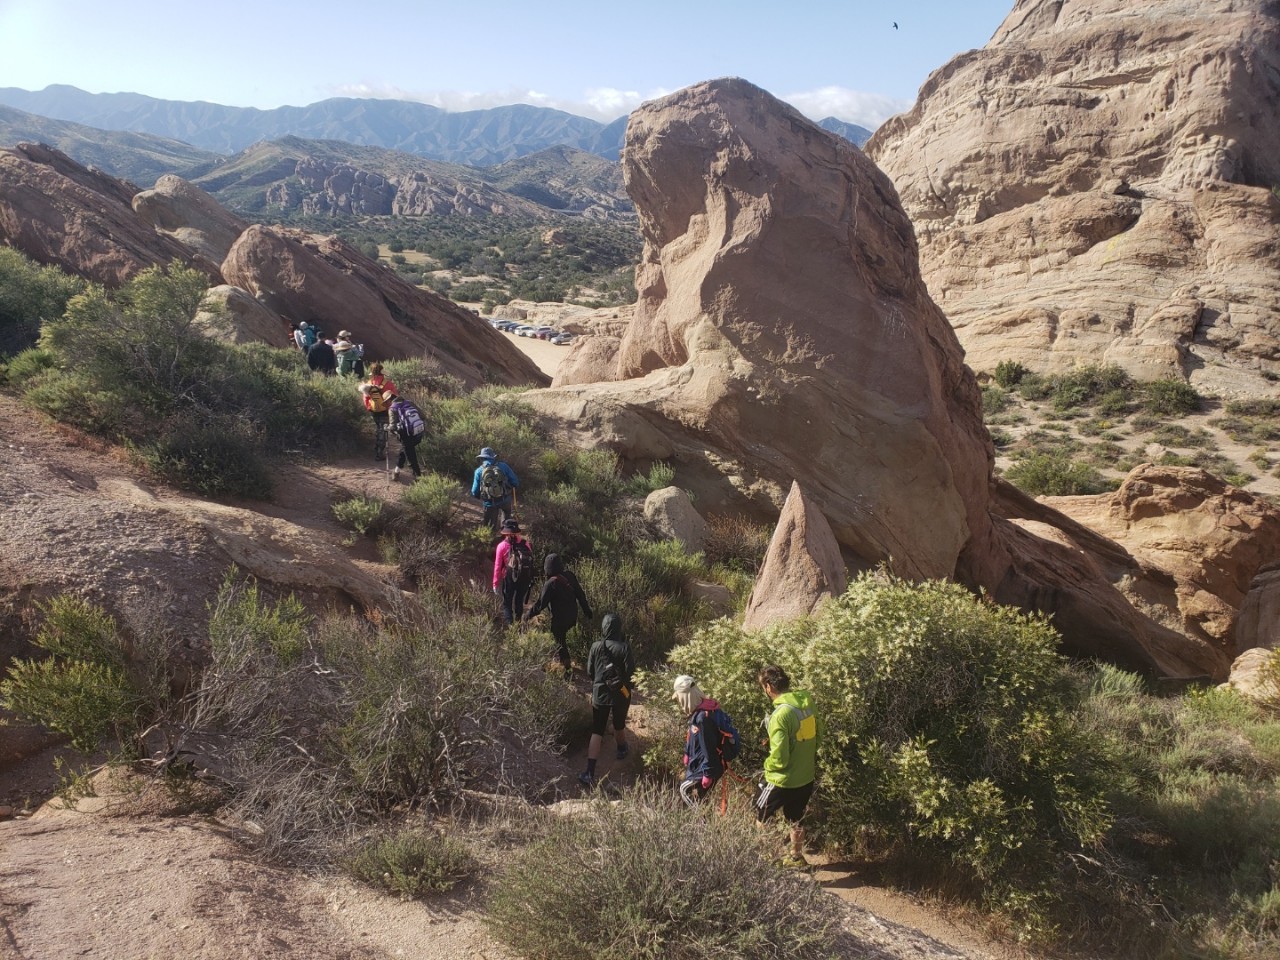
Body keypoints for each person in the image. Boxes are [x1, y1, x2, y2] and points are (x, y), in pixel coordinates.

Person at [756, 664, 822, 868]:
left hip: (781, 779)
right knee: (797, 817)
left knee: (761, 814)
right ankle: (796, 857)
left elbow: (779, 757)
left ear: (768, 687)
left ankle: (765, 858)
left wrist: (767, 767)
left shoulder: (780, 715)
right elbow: (818, 736)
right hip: (805, 776)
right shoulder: (807, 703)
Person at [579, 613, 634, 788]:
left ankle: (589, 772)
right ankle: (622, 748)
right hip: (620, 694)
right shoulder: (624, 648)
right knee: (618, 724)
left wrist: (600, 681)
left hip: (599, 693)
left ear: (603, 628)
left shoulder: (596, 646)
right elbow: (631, 673)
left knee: (597, 731)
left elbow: (589, 671)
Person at [523, 553, 593, 673]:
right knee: (564, 639)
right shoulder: (570, 576)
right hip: (572, 616)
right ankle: (566, 661)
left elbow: (540, 605)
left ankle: (567, 669)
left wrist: (527, 616)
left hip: (559, 619)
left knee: (560, 641)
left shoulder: (550, 584)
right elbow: (581, 595)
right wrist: (587, 611)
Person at [672, 675, 735, 806]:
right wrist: (687, 753)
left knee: (684, 790)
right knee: (700, 800)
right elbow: (695, 739)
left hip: (707, 768)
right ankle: (701, 823)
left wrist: (708, 773)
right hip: (702, 765)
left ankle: (702, 825)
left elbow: (709, 748)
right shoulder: (702, 710)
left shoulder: (703, 718)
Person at [491, 519, 534, 626]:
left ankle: (510, 626)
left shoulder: (501, 546)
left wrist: (495, 583)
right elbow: (531, 560)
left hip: (509, 577)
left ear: (505, 532)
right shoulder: (526, 543)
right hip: (524, 577)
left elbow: (497, 566)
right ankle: (519, 623)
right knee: (519, 601)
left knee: (507, 602)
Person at [471, 447, 519, 533]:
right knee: (507, 523)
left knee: (489, 528)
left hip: (489, 503)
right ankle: (506, 540)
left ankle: (491, 542)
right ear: (493, 457)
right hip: (505, 499)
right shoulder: (503, 466)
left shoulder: (479, 471)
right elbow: (515, 482)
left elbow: (474, 491)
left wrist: (480, 496)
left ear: (482, 458)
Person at [357, 363, 397, 460]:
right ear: (382, 372)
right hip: (385, 410)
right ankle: (379, 452)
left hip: (374, 410)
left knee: (379, 428)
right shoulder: (388, 383)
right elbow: (395, 397)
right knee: (383, 430)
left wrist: (369, 407)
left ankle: (377, 448)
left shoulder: (369, 383)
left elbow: (365, 398)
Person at [385, 389, 426, 481]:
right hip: (418, 432)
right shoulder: (409, 403)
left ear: (389, 399)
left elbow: (392, 427)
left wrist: (387, 428)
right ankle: (396, 471)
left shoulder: (392, 409)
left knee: (411, 457)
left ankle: (418, 477)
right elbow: (423, 416)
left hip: (406, 435)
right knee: (404, 451)